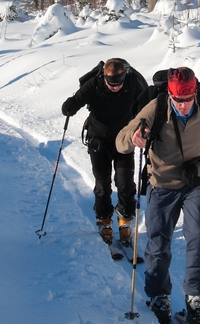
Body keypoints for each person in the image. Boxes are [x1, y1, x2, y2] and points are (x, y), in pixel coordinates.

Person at [116, 66, 200, 324]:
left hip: (198, 181)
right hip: (162, 183)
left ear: (195, 92)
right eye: (178, 100)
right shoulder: (156, 108)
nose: (183, 105)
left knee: (199, 236)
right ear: (170, 95)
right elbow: (120, 141)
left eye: (188, 99)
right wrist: (133, 137)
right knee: (158, 241)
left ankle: (196, 295)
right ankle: (159, 295)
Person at [61, 58, 148, 247]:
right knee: (102, 183)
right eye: (111, 84)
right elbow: (76, 101)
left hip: (124, 140)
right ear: (104, 77)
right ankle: (104, 219)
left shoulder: (133, 83)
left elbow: (147, 107)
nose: (115, 87)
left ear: (124, 76)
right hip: (98, 140)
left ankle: (125, 219)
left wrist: (146, 125)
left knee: (125, 182)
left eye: (118, 83)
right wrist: (69, 107)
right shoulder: (95, 84)